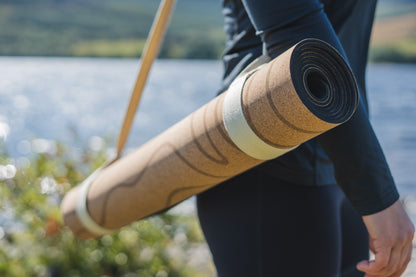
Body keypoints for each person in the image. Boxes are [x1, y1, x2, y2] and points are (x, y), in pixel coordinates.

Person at [196, 0, 414, 276]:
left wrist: (368, 184)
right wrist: (376, 192)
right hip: (266, 162)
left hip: (339, 163)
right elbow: (294, 28)